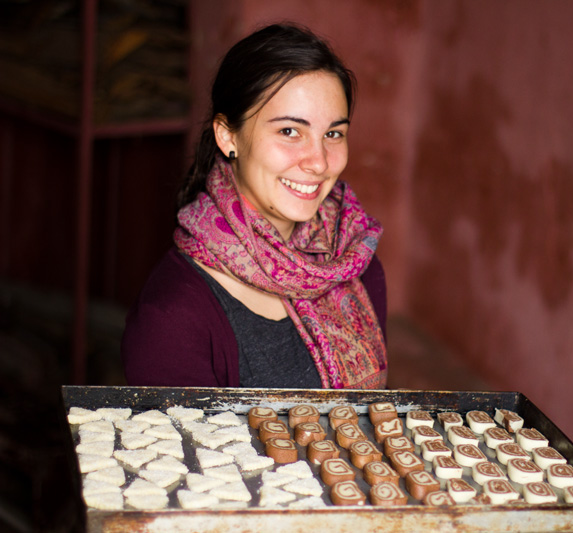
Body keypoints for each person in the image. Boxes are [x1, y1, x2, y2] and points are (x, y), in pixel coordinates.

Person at [121, 23, 388, 390]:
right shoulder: (175, 318)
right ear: (228, 136)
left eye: (333, 134)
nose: (319, 162)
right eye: (289, 131)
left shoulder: (356, 263)